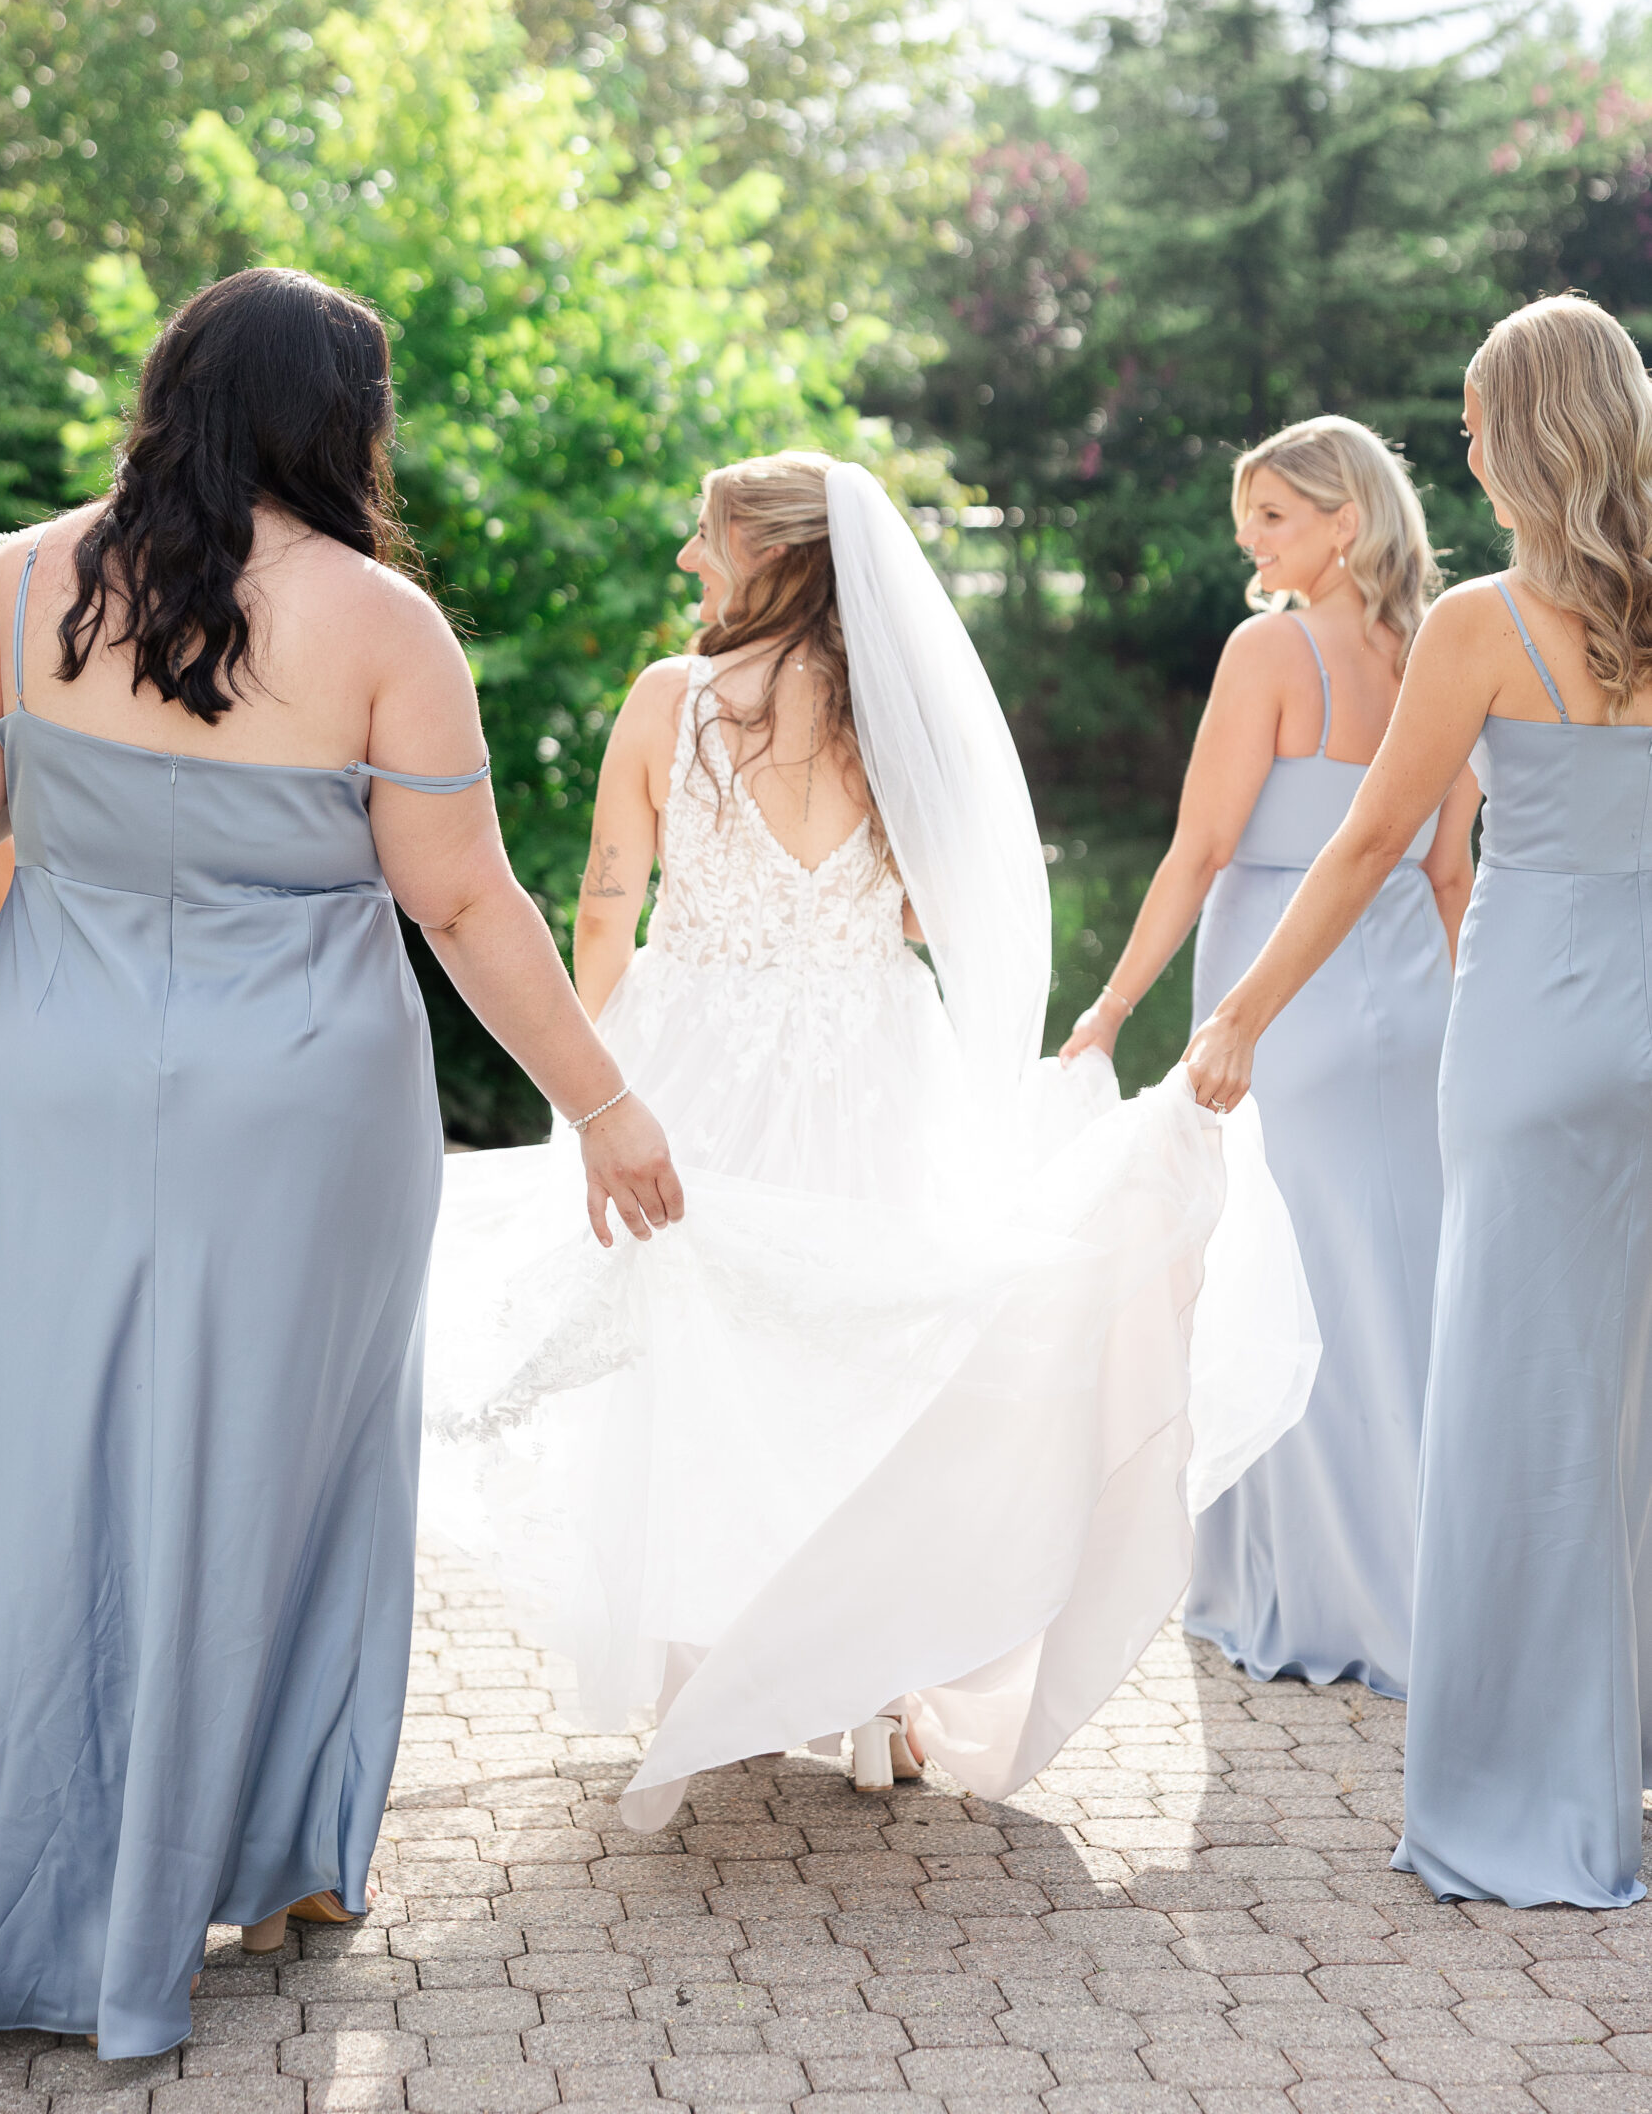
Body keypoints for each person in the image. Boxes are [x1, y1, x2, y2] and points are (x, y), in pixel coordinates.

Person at [0, 267, 680, 2061]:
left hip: (47, 1083)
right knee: (276, 1464)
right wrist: (604, 1103)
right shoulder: (378, 624)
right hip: (301, 1111)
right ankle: (273, 1858)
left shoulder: (21, 580)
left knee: (29, 1464)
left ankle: (8, 1881)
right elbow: (463, 905)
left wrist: (97, 938)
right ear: (338, 424)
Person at [422, 450, 1319, 1831]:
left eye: (705, 536)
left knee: (704, 1360)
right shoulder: (891, 719)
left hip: (699, 1057)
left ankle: (706, 1680)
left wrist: (583, 1088)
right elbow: (942, 912)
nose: (683, 561)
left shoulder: (670, 702)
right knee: (868, 1368)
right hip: (867, 1059)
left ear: (768, 556)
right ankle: (864, 1702)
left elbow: (605, 908)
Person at [1187, 294, 1652, 1909]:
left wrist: (1240, 1003)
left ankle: (1530, 1799)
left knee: (1514, 1417)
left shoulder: (1480, 624)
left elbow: (1372, 844)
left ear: (1522, 435)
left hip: (1525, 1044)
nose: (1455, 445)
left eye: (1470, 419)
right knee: (1634, 1404)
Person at [1064, 418, 1476, 1697]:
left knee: (1275, 1278)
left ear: (1345, 522)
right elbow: (1453, 869)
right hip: (1411, 997)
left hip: (1279, 1000)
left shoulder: (1271, 649)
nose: (1249, 543)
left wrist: (1115, 1002)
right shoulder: (1447, 647)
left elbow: (1196, 849)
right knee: (1392, 1286)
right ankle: (1439, 1578)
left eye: (1276, 519)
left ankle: (1303, 1581)